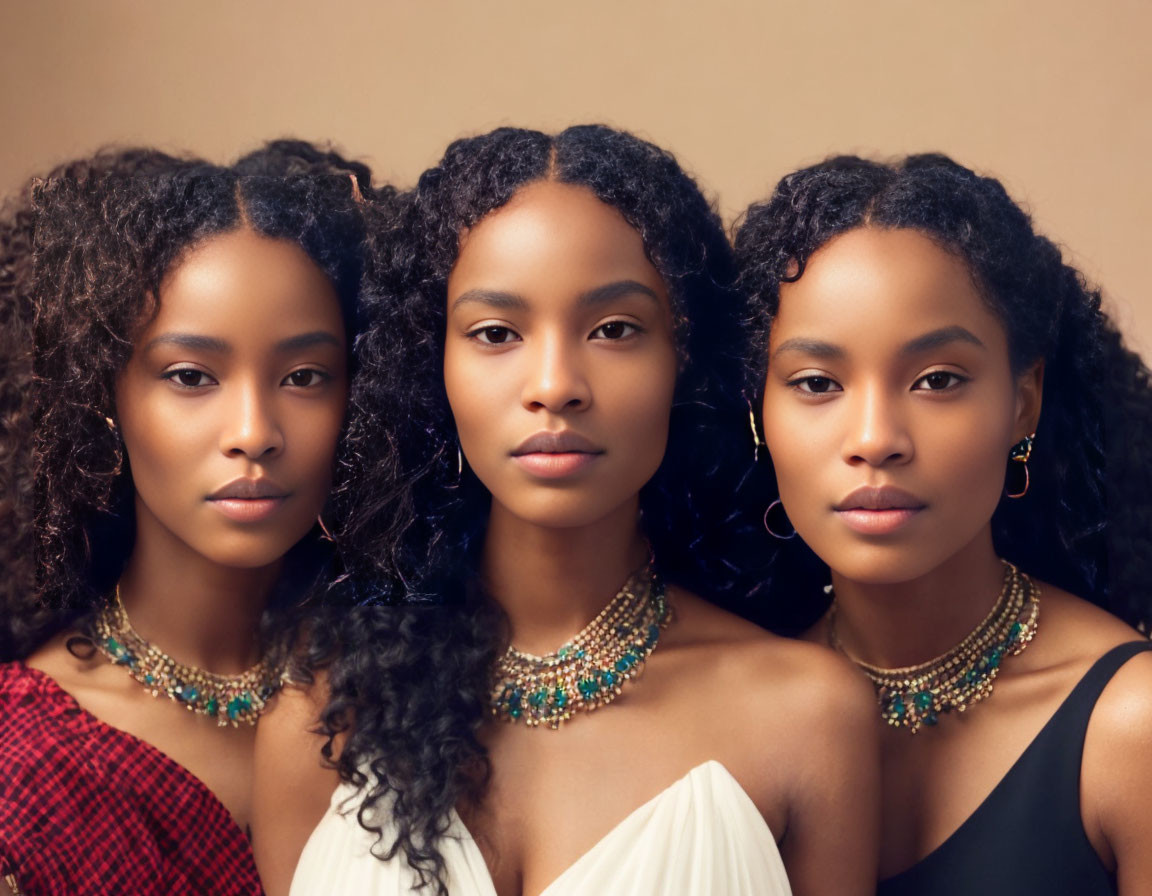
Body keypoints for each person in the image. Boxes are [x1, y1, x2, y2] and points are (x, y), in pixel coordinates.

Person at [253, 125, 880, 896]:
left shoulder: (808, 716)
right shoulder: (317, 717)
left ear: (684, 360)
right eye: (496, 332)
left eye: (614, 329)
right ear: (432, 365)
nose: (555, 384)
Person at [734, 153, 1152, 894]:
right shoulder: (738, 714)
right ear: (758, 417)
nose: (875, 437)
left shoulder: (1129, 725)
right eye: (817, 383)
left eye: (937, 380)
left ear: (1023, 403)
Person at [0, 141, 377, 895]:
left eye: (304, 377)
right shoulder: (24, 764)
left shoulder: (415, 698)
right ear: (104, 400)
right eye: (191, 376)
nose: (253, 431)